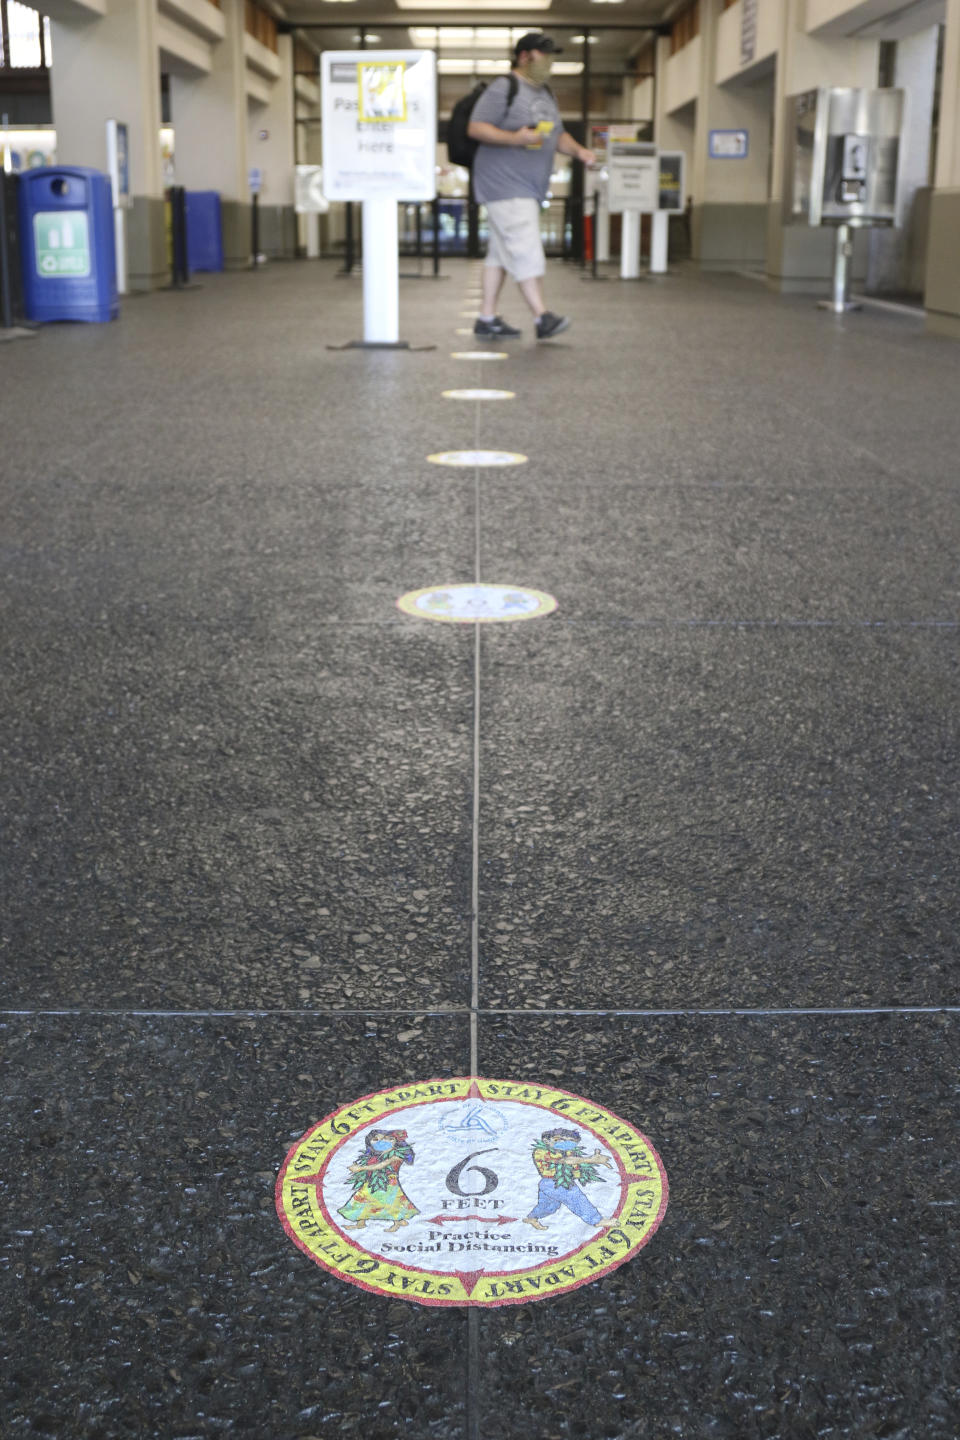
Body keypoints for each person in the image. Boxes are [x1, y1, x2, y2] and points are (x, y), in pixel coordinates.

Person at [467, 33, 596, 341]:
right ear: (524, 56)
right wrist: (516, 138)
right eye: (544, 55)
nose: (550, 62)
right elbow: (476, 127)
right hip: (505, 183)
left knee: (499, 254)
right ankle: (542, 316)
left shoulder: (544, 93)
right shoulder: (504, 88)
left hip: (528, 185)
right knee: (526, 249)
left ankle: (486, 318)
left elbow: (557, 135)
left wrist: (580, 151)